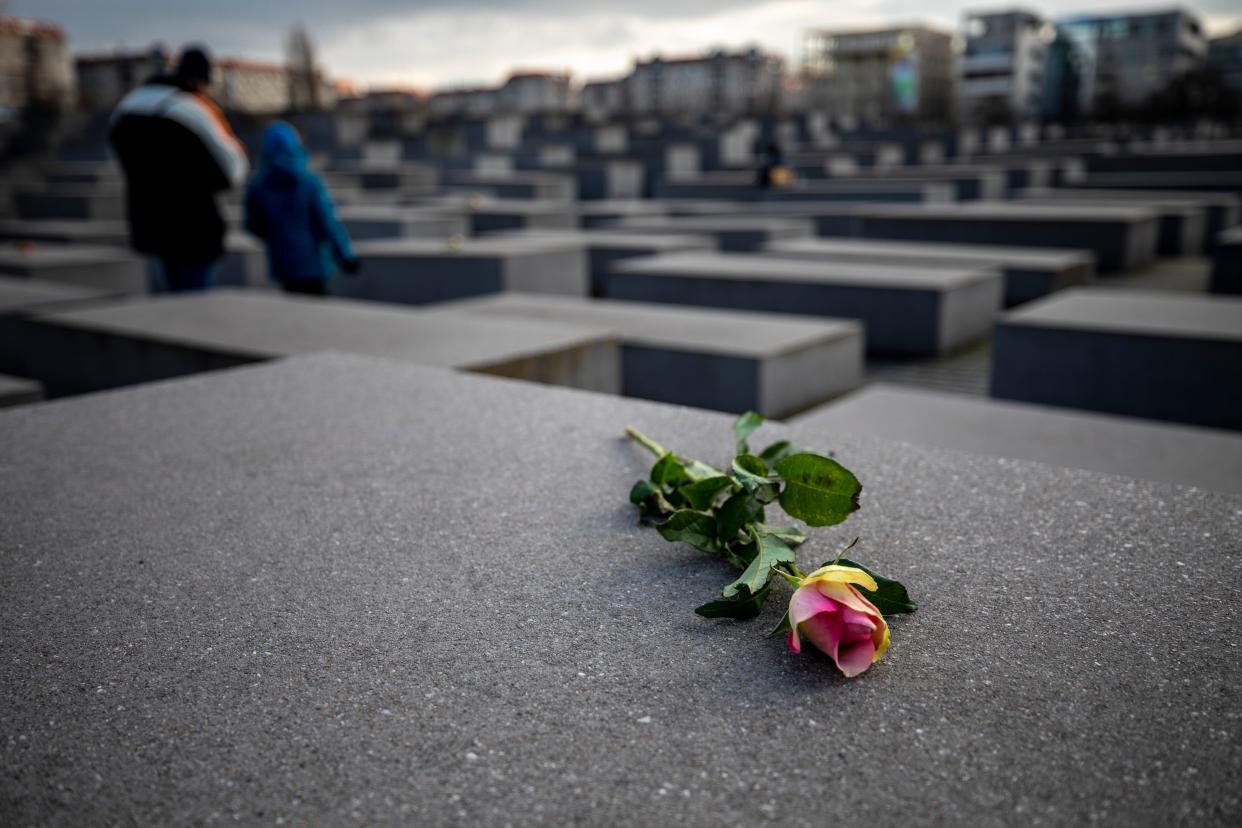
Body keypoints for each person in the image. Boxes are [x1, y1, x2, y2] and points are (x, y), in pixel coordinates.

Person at [109, 46, 248, 292]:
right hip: (193, 231)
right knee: (196, 307)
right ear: (199, 80)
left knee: (167, 305)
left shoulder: (127, 108)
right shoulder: (191, 110)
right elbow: (232, 169)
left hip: (148, 225)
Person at [243, 121, 358, 297]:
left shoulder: (258, 187)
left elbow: (253, 226)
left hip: (283, 266)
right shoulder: (309, 182)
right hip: (314, 264)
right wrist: (345, 256)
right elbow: (327, 223)